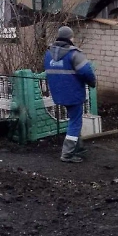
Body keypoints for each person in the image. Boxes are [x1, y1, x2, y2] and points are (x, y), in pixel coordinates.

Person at [44, 26, 97, 163]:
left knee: (74, 119)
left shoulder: (48, 54)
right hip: (73, 93)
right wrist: (92, 82)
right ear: (70, 38)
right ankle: (67, 154)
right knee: (75, 122)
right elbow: (87, 72)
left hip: (58, 93)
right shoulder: (74, 54)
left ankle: (78, 148)